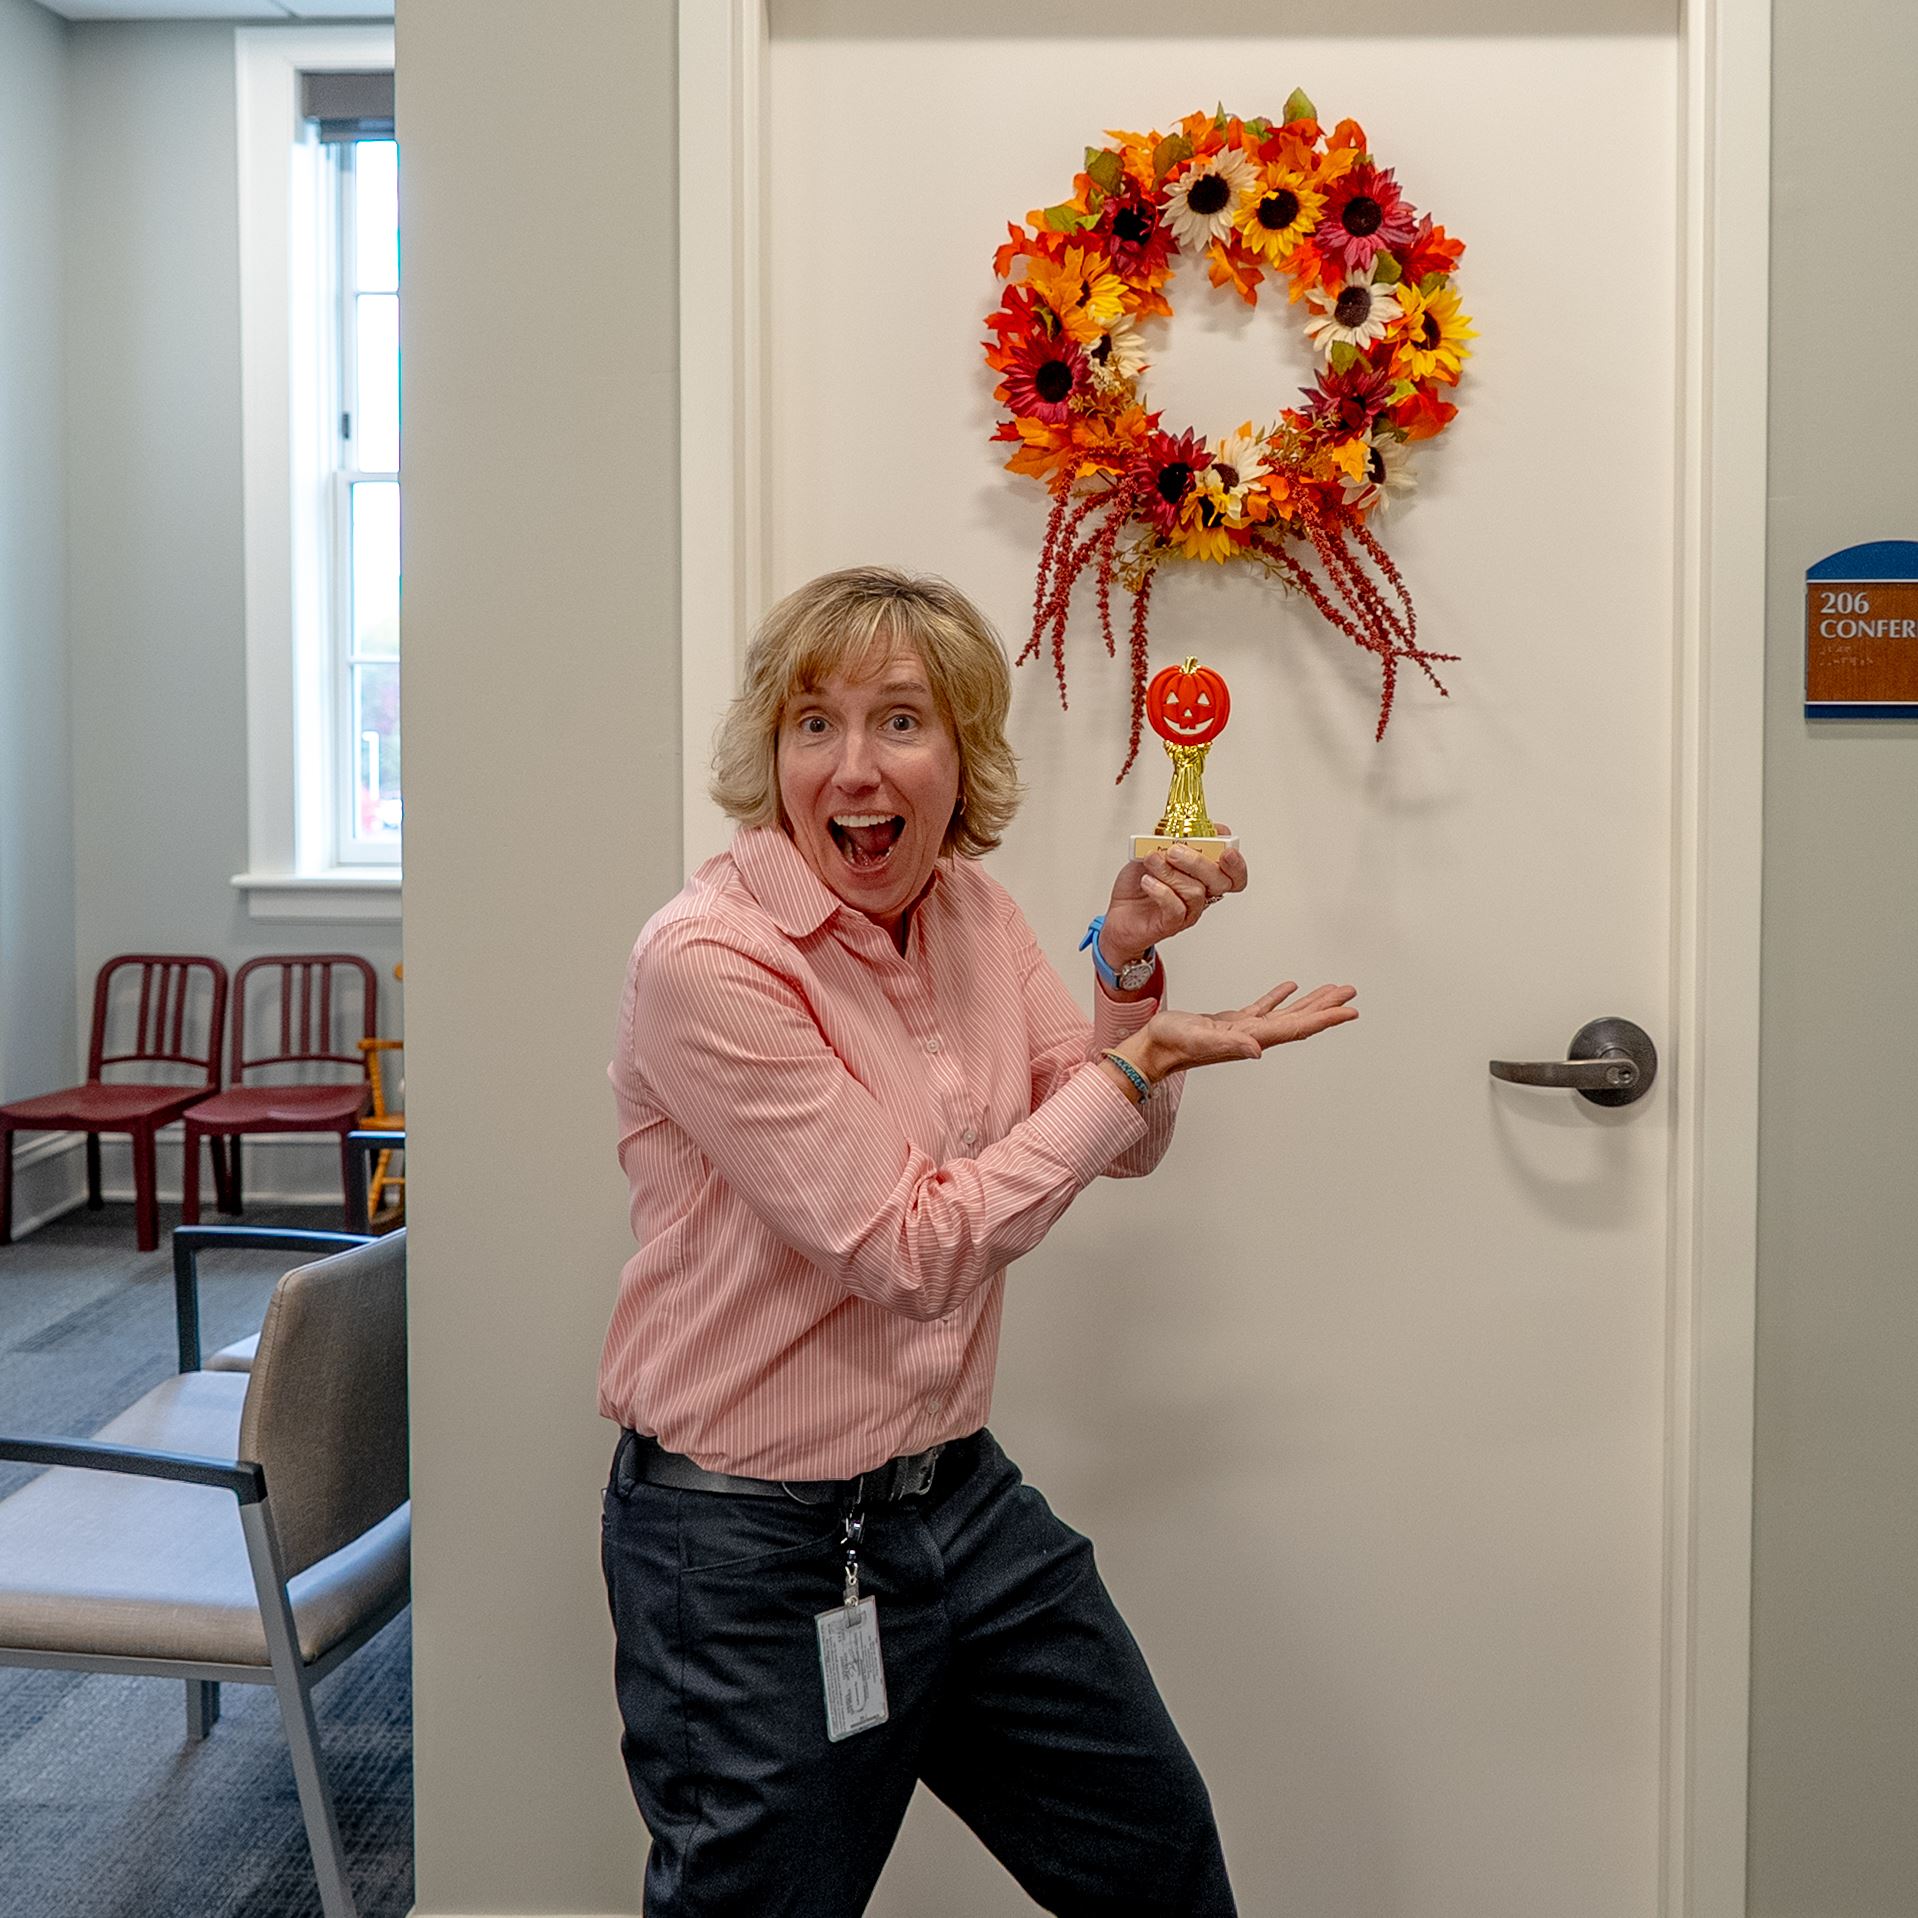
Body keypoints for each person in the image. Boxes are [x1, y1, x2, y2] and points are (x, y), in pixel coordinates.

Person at [599, 566, 1357, 1916]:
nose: (852, 766)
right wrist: (1136, 1070)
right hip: (752, 1552)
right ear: (769, 750)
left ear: (960, 751)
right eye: (812, 723)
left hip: (957, 1506)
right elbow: (909, 1246)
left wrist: (1124, 969)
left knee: (1155, 1861)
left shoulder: (974, 913)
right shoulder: (708, 961)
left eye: (900, 720)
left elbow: (1124, 1137)